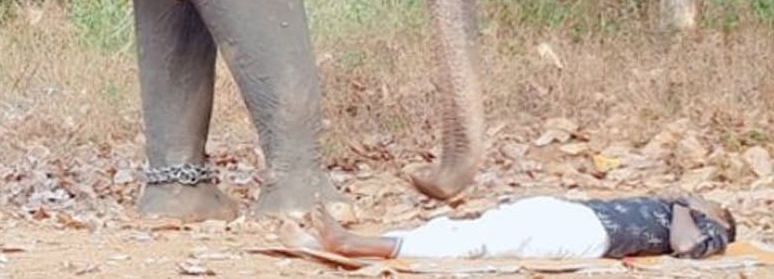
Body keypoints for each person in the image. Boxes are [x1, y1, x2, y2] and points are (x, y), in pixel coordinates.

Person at [307, 194, 737, 261]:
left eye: (715, 204)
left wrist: (685, 205)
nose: (706, 197)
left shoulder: (708, 230)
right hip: (571, 212)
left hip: (590, 235)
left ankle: (355, 244)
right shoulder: (677, 207)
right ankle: (371, 241)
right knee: (466, 227)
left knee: (483, 242)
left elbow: (686, 248)